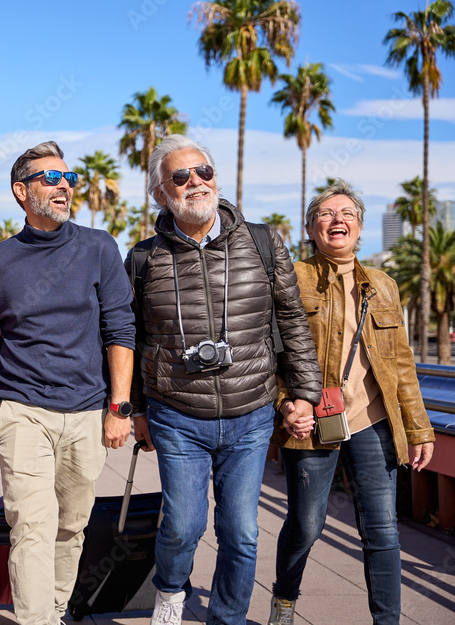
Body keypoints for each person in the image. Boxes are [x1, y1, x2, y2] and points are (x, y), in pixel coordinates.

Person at [126, 134, 321, 625]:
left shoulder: (261, 241)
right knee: (183, 527)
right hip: (177, 414)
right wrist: (136, 410)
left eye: (204, 172)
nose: (196, 182)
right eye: (180, 176)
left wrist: (304, 394)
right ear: (160, 194)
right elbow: (129, 337)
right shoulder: (144, 258)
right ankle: (170, 591)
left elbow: (292, 318)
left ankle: (229, 618)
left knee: (241, 531)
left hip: (251, 412)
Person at [0, 141, 136, 625]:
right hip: (23, 410)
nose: (64, 186)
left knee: (71, 526)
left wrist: (119, 407)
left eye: (69, 178)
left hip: (87, 410)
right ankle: (36, 619)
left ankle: (56, 609)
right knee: (31, 526)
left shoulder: (99, 247)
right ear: (21, 192)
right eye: (51, 178)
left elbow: (120, 328)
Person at [269, 182, 435, 625]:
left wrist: (419, 429)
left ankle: (387, 621)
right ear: (310, 227)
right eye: (324, 213)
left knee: (381, 530)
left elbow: (401, 364)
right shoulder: (292, 278)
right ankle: (285, 599)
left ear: (360, 228)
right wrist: (287, 404)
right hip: (310, 420)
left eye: (346, 213)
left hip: (373, 420)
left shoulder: (383, 285)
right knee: (306, 525)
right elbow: (270, 355)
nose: (336, 219)